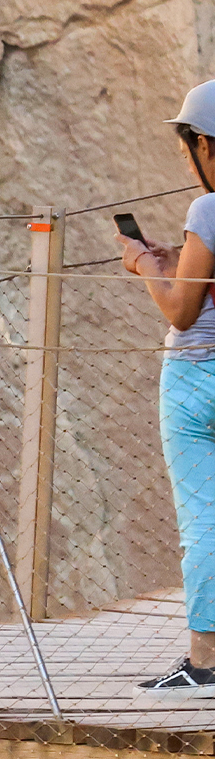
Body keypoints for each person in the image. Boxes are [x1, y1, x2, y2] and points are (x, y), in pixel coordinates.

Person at [119, 79, 215, 695]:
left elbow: (182, 311)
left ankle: (204, 661)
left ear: (204, 143)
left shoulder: (208, 210)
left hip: (196, 376)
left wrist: (146, 268)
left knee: (203, 520)